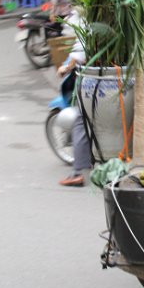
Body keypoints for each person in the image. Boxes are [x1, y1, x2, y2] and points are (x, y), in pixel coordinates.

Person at [57, 11, 91, 187]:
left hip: (97, 80)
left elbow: (80, 53)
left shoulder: (90, 18)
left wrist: (67, 67)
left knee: (81, 121)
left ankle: (78, 172)